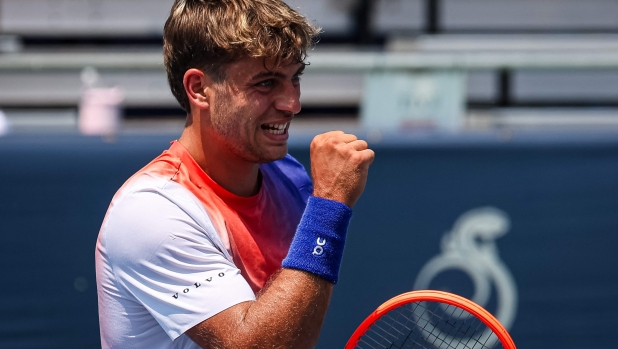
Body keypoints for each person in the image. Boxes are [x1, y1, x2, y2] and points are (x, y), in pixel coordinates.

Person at [95, 0, 374, 348]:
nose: (292, 103)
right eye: (266, 83)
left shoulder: (289, 177)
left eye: (295, 78)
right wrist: (329, 203)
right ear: (199, 89)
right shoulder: (151, 211)